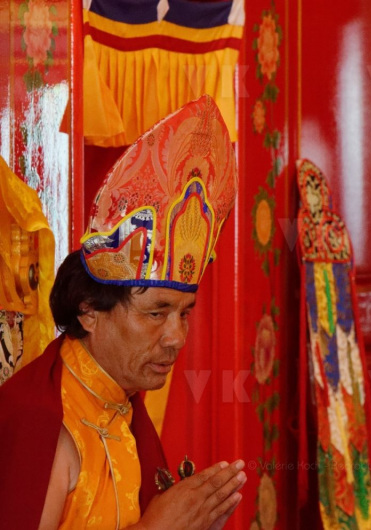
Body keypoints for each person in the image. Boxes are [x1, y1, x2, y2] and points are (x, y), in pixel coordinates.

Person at [0, 95, 243, 528]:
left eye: (184, 313)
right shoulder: (43, 422)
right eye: (156, 313)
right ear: (89, 311)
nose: (176, 337)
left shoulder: (122, 404)